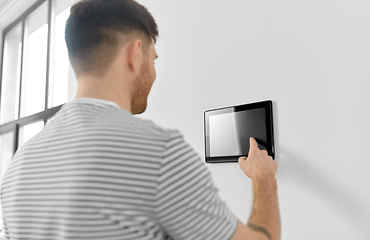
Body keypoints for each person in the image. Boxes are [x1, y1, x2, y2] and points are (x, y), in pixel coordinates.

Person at [1, 0, 280, 239]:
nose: (154, 71)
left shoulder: (19, 165)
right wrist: (263, 178)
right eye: (153, 58)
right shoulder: (160, 151)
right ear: (135, 54)